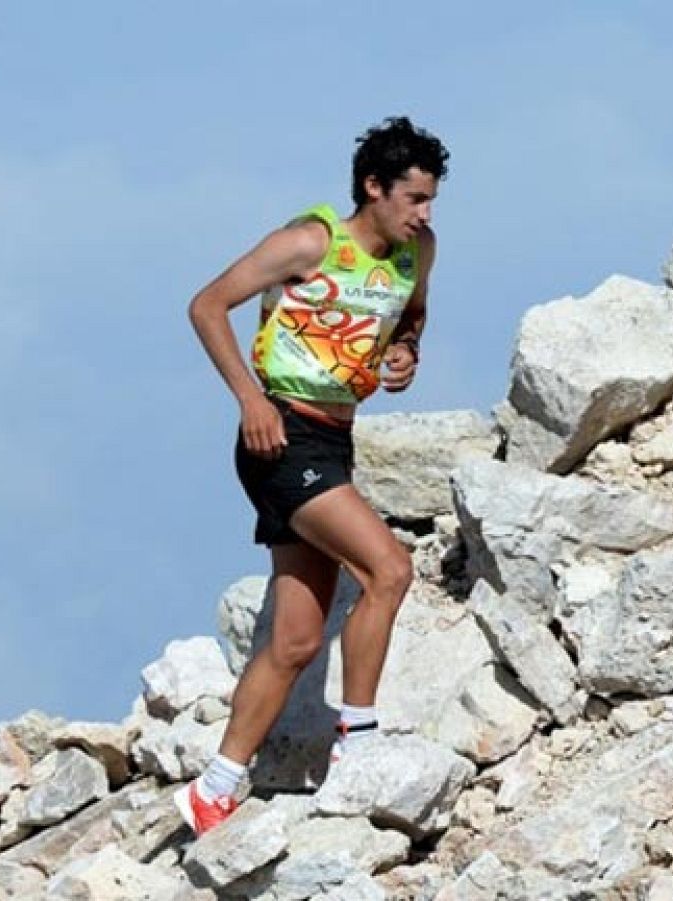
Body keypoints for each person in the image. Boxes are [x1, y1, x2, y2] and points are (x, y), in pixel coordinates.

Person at [175, 117, 448, 836]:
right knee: (389, 569)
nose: (424, 213)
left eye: (430, 200)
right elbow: (207, 305)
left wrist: (406, 355)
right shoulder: (310, 241)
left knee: (296, 640)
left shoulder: (416, 252)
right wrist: (248, 397)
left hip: (336, 438)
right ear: (373, 188)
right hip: (280, 438)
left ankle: (214, 787)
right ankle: (357, 742)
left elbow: (410, 319)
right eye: (413, 198)